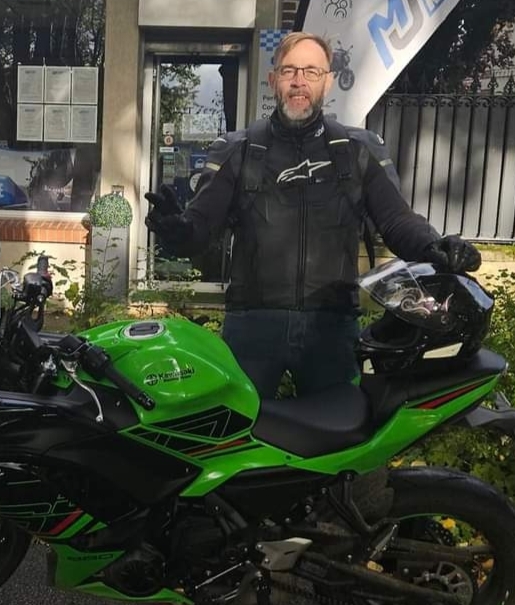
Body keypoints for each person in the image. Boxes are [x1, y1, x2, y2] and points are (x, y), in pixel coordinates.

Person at [145, 31, 481, 399]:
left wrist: (435, 246)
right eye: (289, 70)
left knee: (342, 430)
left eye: (311, 71)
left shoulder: (357, 151)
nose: (299, 80)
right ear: (273, 79)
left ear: (328, 81)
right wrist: (177, 231)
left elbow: (397, 221)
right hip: (253, 325)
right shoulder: (238, 150)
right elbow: (201, 227)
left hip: (331, 327)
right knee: (239, 430)